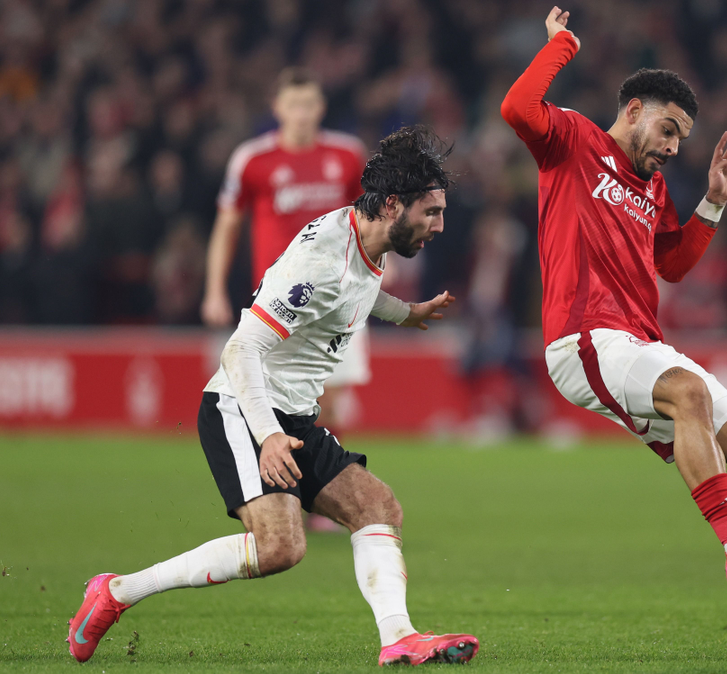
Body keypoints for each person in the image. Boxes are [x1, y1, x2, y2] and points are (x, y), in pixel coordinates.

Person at [68, 127, 478, 666]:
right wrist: (268, 435)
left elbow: (357, 289)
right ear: (393, 205)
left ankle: (399, 638)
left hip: (294, 415)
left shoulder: (365, 238)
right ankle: (117, 592)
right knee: (280, 547)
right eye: (431, 212)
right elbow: (240, 350)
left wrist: (405, 312)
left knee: (377, 507)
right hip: (243, 406)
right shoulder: (321, 262)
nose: (439, 226)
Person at [501, 7, 727, 597]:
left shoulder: (655, 187)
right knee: (689, 394)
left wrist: (714, 202)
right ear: (634, 110)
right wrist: (562, 46)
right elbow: (517, 108)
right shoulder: (573, 140)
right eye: (668, 130)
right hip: (584, 337)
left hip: (640, 341)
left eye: (681, 139)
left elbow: (672, 265)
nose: (672, 147)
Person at [202, 70, 371, 529]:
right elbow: (228, 224)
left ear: (321, 108)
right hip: (281, 301)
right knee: (280, 399)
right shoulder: (252, 160)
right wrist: (214, 288)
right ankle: (283, 491)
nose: (302, 114)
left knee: (330, 401)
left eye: (309, 104)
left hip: (339, 294)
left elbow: (370, 220)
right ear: (277, 108)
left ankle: (320, 496)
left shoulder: (346, 155)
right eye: (293, 104)